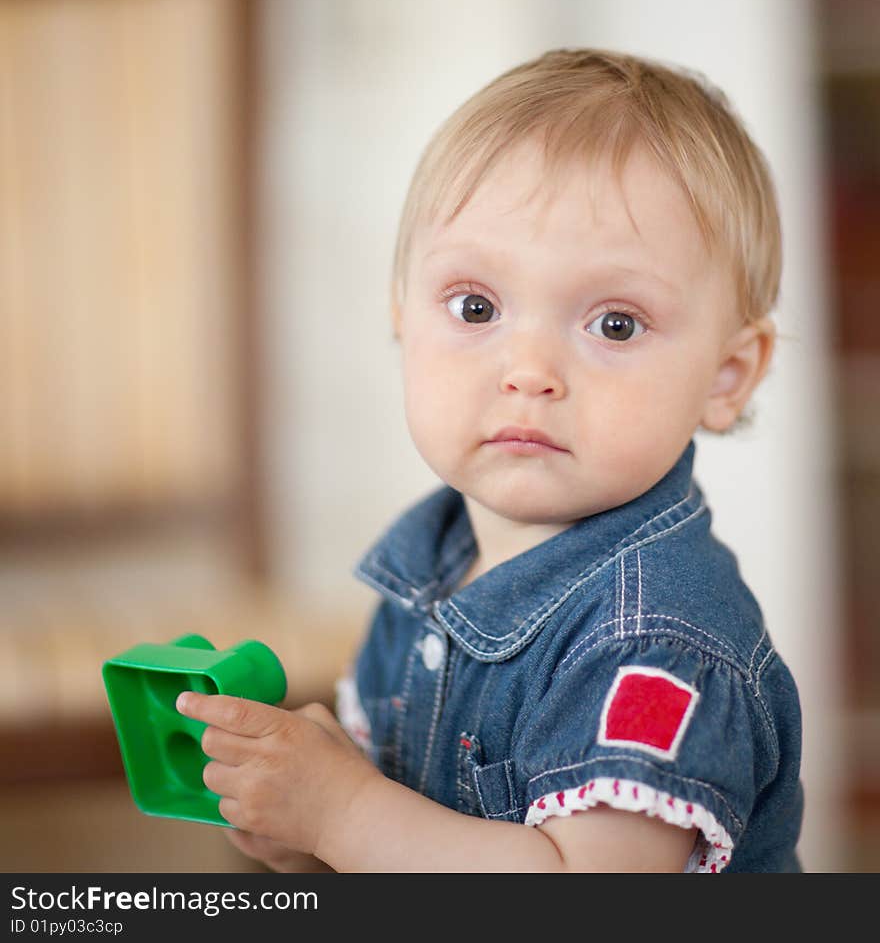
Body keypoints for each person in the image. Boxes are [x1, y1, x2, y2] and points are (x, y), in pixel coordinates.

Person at [177, 48, 804, 872]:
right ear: (402, 317)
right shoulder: (424, 568)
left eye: (615, 324)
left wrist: (344, 814)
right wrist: (307, 835)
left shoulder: (657, 642)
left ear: (726, 377)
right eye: (477, 307)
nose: (530, 371)